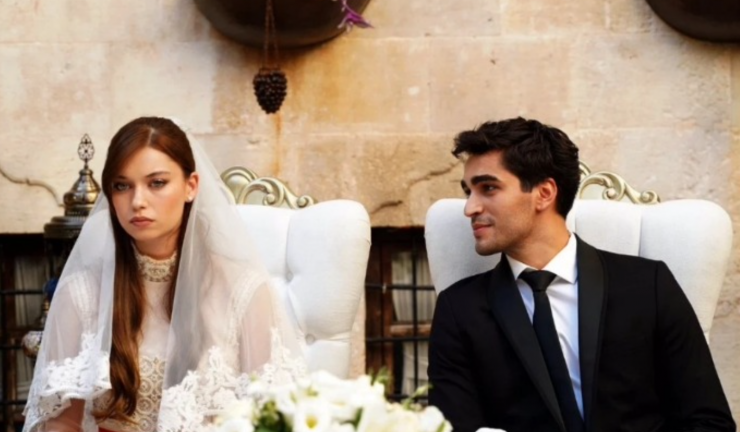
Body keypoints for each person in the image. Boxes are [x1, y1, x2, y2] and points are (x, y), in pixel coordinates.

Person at [427, 117, 735, 432]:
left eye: (488, 188)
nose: (470, 208)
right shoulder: (458, 309)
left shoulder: (647, 285)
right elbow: (452, 428)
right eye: (468, 192)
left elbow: (710, 422)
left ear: (544, 193)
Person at [23, 117, 305, 432]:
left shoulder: (243, 290)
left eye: (156, 183)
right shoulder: (81, 294)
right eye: (122, 186)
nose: (137, 202)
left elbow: (270, 417)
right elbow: (61, 424)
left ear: (191, 186)